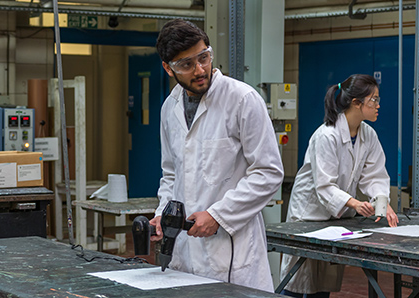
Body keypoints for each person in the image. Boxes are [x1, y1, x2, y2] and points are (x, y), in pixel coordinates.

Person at [148, 19, 284, 292]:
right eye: (186, 65)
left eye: (204, 57)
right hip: (186, 249)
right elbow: (171, 173)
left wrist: (219, 215)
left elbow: (269, 173)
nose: (200, 70)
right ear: (168, 67)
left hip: (232, 250)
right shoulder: (169, 108)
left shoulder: (243, 99)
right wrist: (164, 213)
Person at [280, 74, 399, 298]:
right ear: (356, 103)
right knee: (298, 282)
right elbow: (324, 185)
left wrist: (383, 203)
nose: (378, 105)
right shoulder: (326, 135)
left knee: (322, 284)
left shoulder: (368, 135)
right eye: (373, 100)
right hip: (308, 216)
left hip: (335, 219)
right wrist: (354, 202)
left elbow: (374, 176)